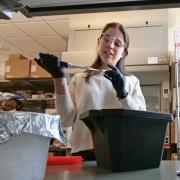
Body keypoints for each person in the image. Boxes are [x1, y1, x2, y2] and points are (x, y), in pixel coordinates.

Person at [35, 22, 146, 160]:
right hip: (84, 152)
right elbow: (66, 120)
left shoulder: (131, 81)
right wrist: (59, 79)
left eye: (117, 43)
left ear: (123, 52)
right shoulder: (80, 79)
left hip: (122, 151)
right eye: (106, 39)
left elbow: (140, 121)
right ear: (99, 42)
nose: (110, 45)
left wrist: (123, 94)